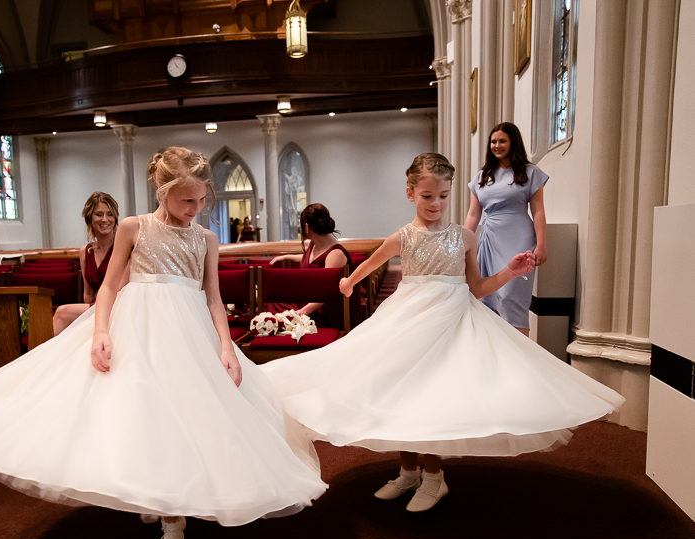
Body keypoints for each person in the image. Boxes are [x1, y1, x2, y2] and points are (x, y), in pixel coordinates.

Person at [0, 146, 326, 539]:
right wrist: (100, 332)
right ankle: (160, 501)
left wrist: (227, 348)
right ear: (162, 190)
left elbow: (212, 298)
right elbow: (110, 288)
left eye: (202, 199)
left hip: (188, 334)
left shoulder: (206, 239)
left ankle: (175, 521)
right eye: (188, 200)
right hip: (136, 328)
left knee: (185, 419)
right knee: (140, 414)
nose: (197, 208)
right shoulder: (134, 228)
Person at [261, 153, 624, 513]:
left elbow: (476, 287)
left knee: (433, 395)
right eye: (427, 196)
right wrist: (347, 283)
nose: (436, 204)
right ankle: (408, 471)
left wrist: (511, 272)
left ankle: (434, 476)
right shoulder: (402, 237)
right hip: (407, 320)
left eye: (444, 196)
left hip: (451, 321)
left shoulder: (464, 237)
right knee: (398, 392)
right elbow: (365, 267)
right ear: (410, 194)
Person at [464, 122, 548, 335]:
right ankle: (490, 350)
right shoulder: (482, 176)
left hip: (519, 236)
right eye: (493, 141)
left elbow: (538, 211)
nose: (497, 145)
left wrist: (541, 244)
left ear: (513, 143)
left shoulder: (530, 172)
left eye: (502, 141)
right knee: (487, 294)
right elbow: (474, 214)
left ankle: (520, 350)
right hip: (490, 237)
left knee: (511, 295)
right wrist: (462, 243)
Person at [267, 203, 353, 328]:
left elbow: (327, 292)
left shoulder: (336, 254)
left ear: (306, 227)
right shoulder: (315, 243)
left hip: (323, 310)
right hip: (308, 299)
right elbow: (311, 261)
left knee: (279, 307)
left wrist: (304, 311)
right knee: (274, 299)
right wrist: (286, 256)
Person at [52, 192, 119, 335]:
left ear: (115, 218)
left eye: (110, 214)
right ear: (90, 218)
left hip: (119, 305)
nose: (105, 219)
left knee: (62, 313)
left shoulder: (122, 247)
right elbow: (88, 294)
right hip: (95, 306)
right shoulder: (85, 252)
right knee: (66, 317)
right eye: (99, 214)